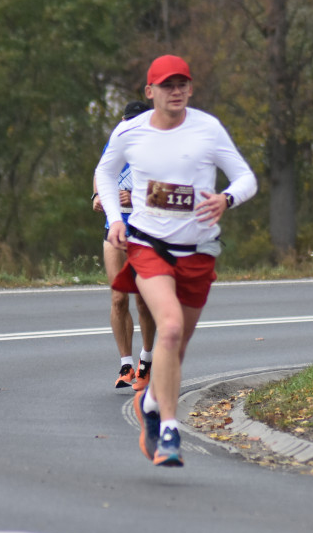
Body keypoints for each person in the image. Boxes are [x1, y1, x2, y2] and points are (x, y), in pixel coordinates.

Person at [94, 55, 257, 467]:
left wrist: (226, 198)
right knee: (167, 328)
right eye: (167, 84)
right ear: (150, 92)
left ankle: (151, 400)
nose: (176, 90)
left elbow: (246, 178)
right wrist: (116, 219)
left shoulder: (207, 128)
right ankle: (169, 429)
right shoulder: (131, 132)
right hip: (148, 243)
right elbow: (105, 173)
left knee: (177, 346)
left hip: (199, 250)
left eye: (182, 82)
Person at [92, 101, 157, 391]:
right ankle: (125, 364)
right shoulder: (116, 141)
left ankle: (146, 359)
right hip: (116, 228)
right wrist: (95, 195)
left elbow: (176, 189)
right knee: (119, 299)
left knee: (143, 300)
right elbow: (101, 171)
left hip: (146, 229)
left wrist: (138, 197)